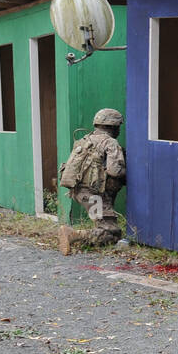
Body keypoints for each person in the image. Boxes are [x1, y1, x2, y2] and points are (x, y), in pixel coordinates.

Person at [58, 108, 126, 254]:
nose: (119, 130)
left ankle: (86, 233)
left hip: (79, 192)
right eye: (118, 126)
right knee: (111, 233)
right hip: (93, 195)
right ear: (112, 126)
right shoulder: (111, 142)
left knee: (105, 224)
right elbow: (115, 171)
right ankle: (74, 235)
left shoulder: (85, 140)